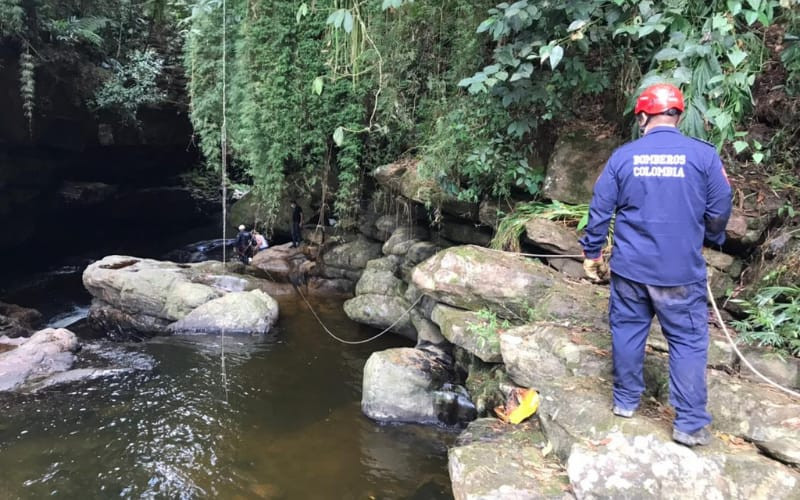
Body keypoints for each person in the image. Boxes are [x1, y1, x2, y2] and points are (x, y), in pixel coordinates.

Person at [579, 83, 732, 447]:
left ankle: (625, 401)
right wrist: (710, 236)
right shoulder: (704, 156)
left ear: (643, 116)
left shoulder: (623, 157)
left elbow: (599, 210)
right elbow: (720, 208)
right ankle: (690, 424)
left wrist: (593, 254)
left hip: (631, 269)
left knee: (628, 330)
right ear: (677, 115)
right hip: (680, 271)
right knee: (687, 342)